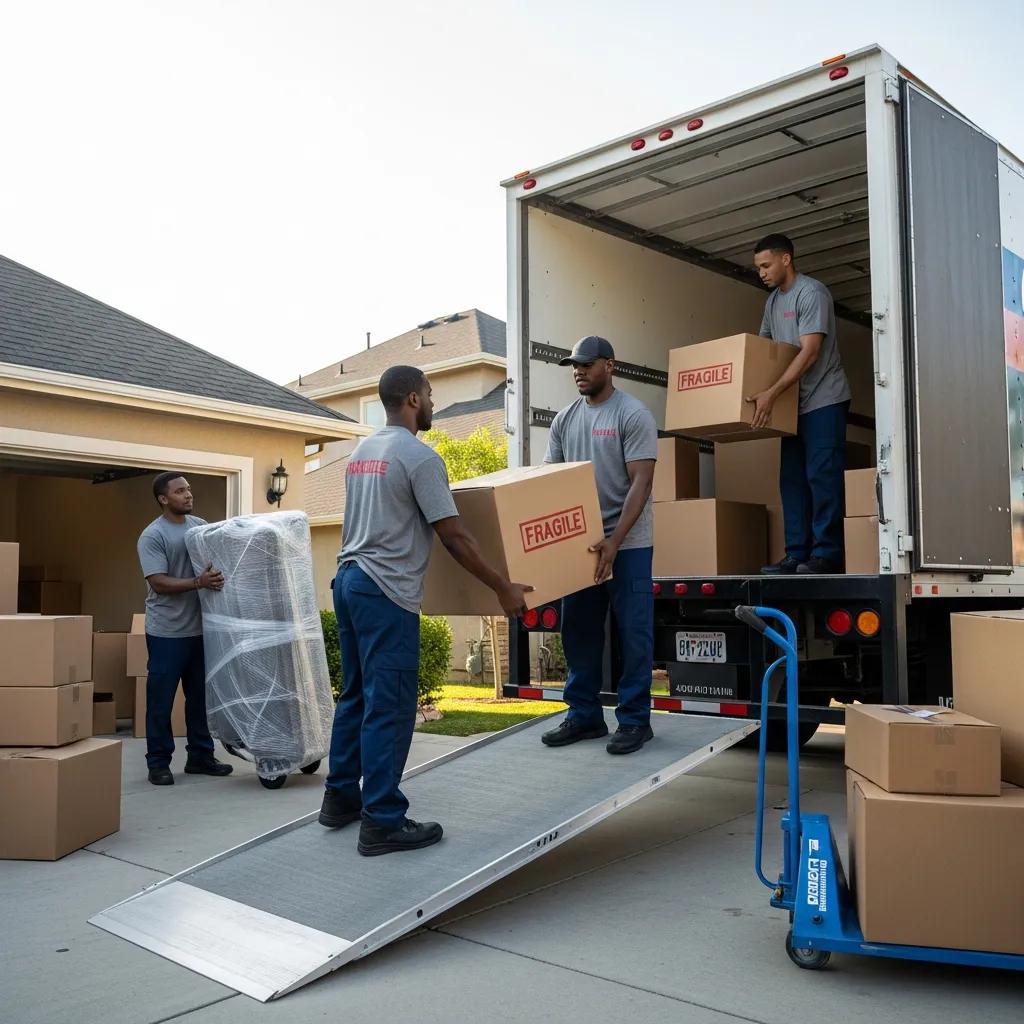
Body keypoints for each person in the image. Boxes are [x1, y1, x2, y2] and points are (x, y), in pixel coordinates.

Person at [320, 364, 532, 856]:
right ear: (413, 399)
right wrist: (502, 586)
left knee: (354, 696)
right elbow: (453, 534)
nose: (434, 402)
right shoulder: (418, 456)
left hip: (348, 580)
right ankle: (382, 820)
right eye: (432, 394)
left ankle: (339, 799)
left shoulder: (363, 452)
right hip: (383, 591)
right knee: (390, 706)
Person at [540, 336, 658, 755]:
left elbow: (641, 481)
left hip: (628, 546)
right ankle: (585, 716)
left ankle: (634, 721)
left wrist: (614, 541)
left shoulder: (632, 414)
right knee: (579, 634)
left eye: (587, 364)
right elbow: (553, 484)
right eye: (574, 365)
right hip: (582, 546)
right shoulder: (564, 420)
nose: (579, 371)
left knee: (634, 635)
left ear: (610, 365)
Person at [748, 234, 852, 575]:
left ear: (786, 260)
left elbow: (809, 352)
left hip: (823, 399)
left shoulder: (812, 293)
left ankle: (826, 554)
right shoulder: (773, 303)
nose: (761, 273)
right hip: (792, 405)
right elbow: (764, 349)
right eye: (758, 268)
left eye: (765, 265)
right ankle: (796, 553)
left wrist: (772, 393)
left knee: (821, 475)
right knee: (792, 480)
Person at [137, 474, 233, 786]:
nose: (188, 495)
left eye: (188, 489)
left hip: (200, 631)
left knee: (199, 698)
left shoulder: (200, 527)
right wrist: (197, 583)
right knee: (161, 701)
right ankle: (158, 763)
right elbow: (158, 582)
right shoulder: (152, 535)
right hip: (166, 632)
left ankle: (200, 757)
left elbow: (215, 568)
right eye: (180, 491)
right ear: (163, 499)